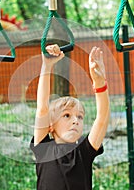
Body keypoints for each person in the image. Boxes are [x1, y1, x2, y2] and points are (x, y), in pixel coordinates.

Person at [30, 44, 110, 190]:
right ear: (51, 125)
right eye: (67, 115)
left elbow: (102, 118)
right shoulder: (44, 149)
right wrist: (46, 66)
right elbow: (42, 108)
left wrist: (100, 84)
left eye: (80, 117)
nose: (75, 120)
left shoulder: (83, 151)